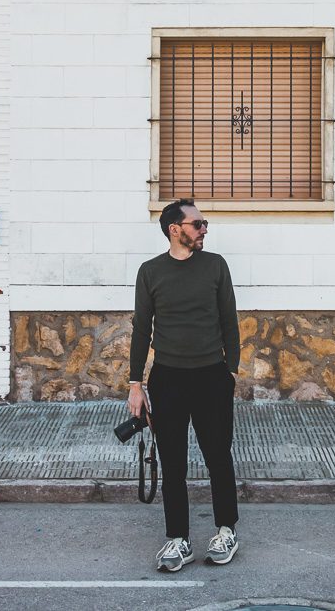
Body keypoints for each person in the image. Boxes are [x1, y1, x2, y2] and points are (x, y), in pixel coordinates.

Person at [127, 197, 241, 573]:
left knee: (218, 458)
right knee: (172, 463)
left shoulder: (215, 266)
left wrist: (232, 373)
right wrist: (135, 384)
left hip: (211, 375)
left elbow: (230, 321)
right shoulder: (150, 271)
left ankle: (226, 530)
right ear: (175, 229)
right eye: (198, 224)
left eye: (204, 223)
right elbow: (142, 329)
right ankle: (178, 539)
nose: (204, 229)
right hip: (168, 378)